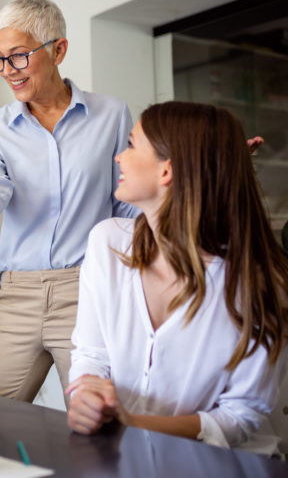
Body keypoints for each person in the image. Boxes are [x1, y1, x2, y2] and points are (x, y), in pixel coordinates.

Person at [0, 0, 137, 402]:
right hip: (18, 296)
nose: (7, 71)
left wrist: (196, 174)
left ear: (58, 50)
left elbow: (127, 202)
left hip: (86, 291)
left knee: (101, 424)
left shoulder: (112, 114)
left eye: (18, 57)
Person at [66, 101, 288, 454]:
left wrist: (134, 422)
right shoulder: (106, 242)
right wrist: (87, 395)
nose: (118, 157)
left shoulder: (258, 282)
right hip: (129, 455)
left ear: (166, 171)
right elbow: (90, 354)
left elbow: (242, 415)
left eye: (131, 144)